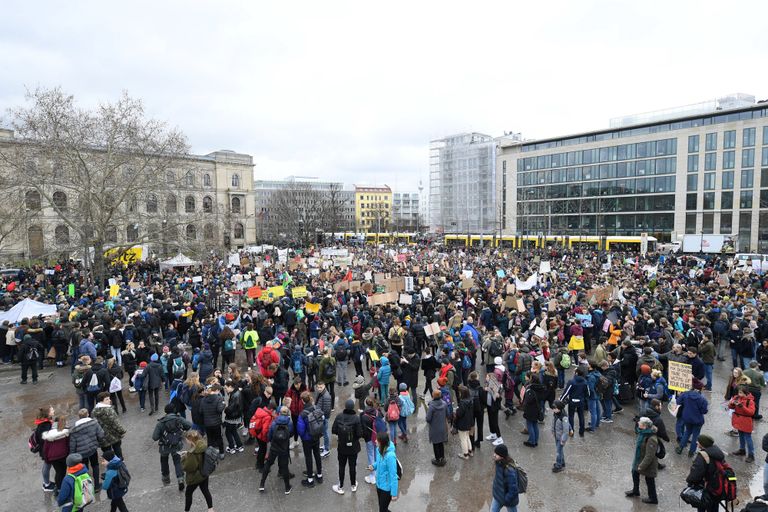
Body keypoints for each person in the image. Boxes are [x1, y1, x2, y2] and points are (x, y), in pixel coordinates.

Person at [152, 403, 192, 490]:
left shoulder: (161, 423)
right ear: (174, 410)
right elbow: (189, 425)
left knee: (164, 461)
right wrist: (181, 431)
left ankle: (166, 478)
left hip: (164, 446)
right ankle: (180, 479)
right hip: (176, 444)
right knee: (177, 461)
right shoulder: (179, 419)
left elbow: (154, 437)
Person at [259, 406, 294, 494]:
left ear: (279, 413)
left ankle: (262, 484)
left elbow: (269, 436)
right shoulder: (289, 423)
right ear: (287, 413)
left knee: (268, 464)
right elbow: (291, 434)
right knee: (285, 467)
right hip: (284, 448)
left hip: (274, 448)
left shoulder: (274, 422)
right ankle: (287, 488)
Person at [331, 398, 363, 495]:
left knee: (341, 466)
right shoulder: (356, 418)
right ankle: (353, 485)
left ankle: (340, 486)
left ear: (345, 406)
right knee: (352, 466)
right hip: (353, 447)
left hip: (342, 446)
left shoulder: (339, 416)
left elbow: (334, 430)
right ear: (353, 407)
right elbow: (359, 434)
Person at [685, 434, 724, 512]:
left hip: (706, 487)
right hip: (717, 487)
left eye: (699, 441)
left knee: (702, 506)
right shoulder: (718, 453)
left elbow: (695, 475)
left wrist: (689, 482)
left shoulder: (702, 456)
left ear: (703, 444)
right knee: (714, 508)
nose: (697, 442)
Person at [625, 416, 659, 505]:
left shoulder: (651, 439)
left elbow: (649, 456)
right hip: (639, 459)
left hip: (648, 464)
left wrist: (641, 466)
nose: (638, 423)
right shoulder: (642, 432)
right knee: (634, 472)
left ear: (644, 426)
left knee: (649, 480)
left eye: (640, 422)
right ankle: (635, 490)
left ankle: (653, 498)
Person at [68, 408, 104, 491]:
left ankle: (87, 488)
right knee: (95, 465)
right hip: (92, 449)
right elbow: (101, 435)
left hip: (81, 453)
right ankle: (97, 485)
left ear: (79, 417)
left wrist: (72, 455)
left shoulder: (74, 430)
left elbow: (72, 444)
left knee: (84, 468)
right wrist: (98, 443)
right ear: (87, 414)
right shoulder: (94, 423)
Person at [180, 430, 214, 512]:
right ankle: (211, 509)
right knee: (205, 490)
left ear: (191, 440)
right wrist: (188, 453)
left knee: (188, 493)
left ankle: (186, 510)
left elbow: (189, 467)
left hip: (195, 477)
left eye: (187, 440)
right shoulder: (203, 445)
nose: (186, 442)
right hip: (204, 473)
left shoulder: (192, 453)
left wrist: (184, 458)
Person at [297, 392, 324, 487]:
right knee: (317, 455)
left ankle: (310, 479)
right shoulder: (316, 408)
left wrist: (303, 436)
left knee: (308, 457)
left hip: (307, 439)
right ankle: (319, 475)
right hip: (316, 436)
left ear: (302, 401)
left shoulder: (302, 414)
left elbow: (300, 430)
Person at [676, 378, 709, 456]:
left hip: (687, 418)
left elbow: (678, 402)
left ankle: (680, 448)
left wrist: (679, 395)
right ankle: (691, 452)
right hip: (698, 420)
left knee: (687, 432)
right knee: (695, 436)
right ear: (699, 389)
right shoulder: (703, 399)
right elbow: (704, 411)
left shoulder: (685, 394)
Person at [92, 392, 126, 459]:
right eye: (107, 399)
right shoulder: (109, 410)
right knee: (117, 449)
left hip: (102, 437)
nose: (109, 400)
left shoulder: (94, 411)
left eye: (109, 398)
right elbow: (115, 423)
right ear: (101, 401)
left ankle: (109, 463)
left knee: (107, 452)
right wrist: (122, 431)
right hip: (114, 435)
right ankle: (120, 462)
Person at [43, 414, 71, 495]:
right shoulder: (66, 433)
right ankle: (61, 488)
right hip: (63, 455)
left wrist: (46, 459)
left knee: (58, 472)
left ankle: (58, 488)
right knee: (63, 472)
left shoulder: (49, 434)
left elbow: (45, 448)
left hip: (53, 457)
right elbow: (68, 445)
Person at [728, 385, 756, 462]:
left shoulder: (750, 401)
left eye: (741, 393)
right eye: (738, 392)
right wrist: (732, 404)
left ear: (745, 393)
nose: (739, 394)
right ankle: (742, 450)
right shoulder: (737, 398)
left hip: (746, 422)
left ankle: (751, 455)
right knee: (741, 436)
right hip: (738, 420)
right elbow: (730, 407)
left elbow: (751, 412)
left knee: (748, 438)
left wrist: (742, 406)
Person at [373, 431, 398, 512]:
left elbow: (393, 475)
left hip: (386, 489)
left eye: (377, 440)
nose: (375, 441)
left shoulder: (390, 456)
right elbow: (379, 462)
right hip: (379, 484)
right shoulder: (379, 449)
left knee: (382, 509)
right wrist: (373, 466)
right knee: (382, 507)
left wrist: (394, 493)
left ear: (382, 442)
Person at [490, 444, 519, 512]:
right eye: (495, 453)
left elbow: (513, 489)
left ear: (502, 456)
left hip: (508, 500)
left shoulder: (510, 471)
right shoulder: (499, 462)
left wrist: (505, 500)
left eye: (496, 454)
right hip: (498, 495)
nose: (494, 455)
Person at [32, 406, 55, 492]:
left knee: (47, 465)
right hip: (46, 450)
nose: (53, 410)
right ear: (47, 413)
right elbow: (44, 439)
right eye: (52, 410)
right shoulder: (45, 425)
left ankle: (46, 482)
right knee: (47, 465)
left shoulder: (44, 422)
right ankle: (46, 485)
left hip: (45, 449)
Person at [199, 384, 225, 457]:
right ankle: (221, 453)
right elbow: (219, 409)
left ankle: (211, 454)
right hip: (216, 423)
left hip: (207, 423)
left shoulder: (203, 399)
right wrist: (223, 404)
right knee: (219, 438)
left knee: (210, 439)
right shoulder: (219, 398)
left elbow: (200, 411)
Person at [562, 366, 588, 437]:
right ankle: (581, 432)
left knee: (571, 416)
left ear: (576, 373)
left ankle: (571, 431)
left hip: (572, 401)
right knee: (581, 416)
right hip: (581, 401)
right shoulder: (585, 382)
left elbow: (566, 392)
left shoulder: (571, 381)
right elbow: (588, 393)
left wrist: (561, 400)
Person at [223, 380, 244, 454]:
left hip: (232, 417)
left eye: (226, 388)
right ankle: (239, 446)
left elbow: (231, 408)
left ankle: (231, 447)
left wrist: (225, 408)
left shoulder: (235, 395)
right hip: (236, 416)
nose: (225, 390)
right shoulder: (236, 392)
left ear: (230, 387)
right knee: (234, 431)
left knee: (228, 432)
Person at [455, 385, 475, 458]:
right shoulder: (470, 400)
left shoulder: (462, 402)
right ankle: (470, 451)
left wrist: (457, 410)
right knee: (467, 437)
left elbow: (459, 414)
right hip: (469, 422)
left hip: (463, 423)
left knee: (463, 439)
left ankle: (465, 454)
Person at [551, 400, 570, 473]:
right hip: (557, 436)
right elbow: (553, 422)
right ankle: (562, 462)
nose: (553, 410)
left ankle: (558, 465)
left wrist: (563, 440)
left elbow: (566, 430)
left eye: (555, 408)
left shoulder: (564, 417)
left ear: (559, 408)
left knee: (558, 452)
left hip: (561, 438)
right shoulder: (556, 414)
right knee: (560, 450)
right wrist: (553, 431)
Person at [316, 382, 333, 457]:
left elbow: (326, 410)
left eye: (321, 387)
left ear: (324, 386)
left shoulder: (326, 396)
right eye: (318, 387)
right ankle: (325, 446)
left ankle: (327, 449)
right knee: (324, 432)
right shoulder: (321, 393)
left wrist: (321, 416)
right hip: (321, 416)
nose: (319, 389)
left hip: (324, 417)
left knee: (325, 433)